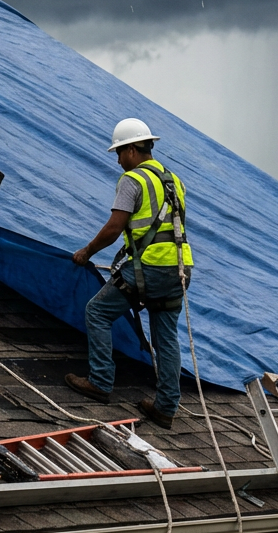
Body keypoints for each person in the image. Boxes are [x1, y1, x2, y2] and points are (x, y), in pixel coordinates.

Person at [66, 118, 194, 429]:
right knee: (166, 337)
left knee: (96, 312)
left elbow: (114, 228)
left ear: (134, 150)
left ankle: (100, 382)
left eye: (120, 153)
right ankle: (165, 407)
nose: (119, 160)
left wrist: (87, 252)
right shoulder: (173, 180)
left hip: (147, 268)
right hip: (178, 269)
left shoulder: (132, 180)